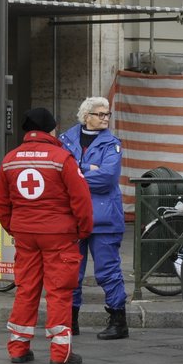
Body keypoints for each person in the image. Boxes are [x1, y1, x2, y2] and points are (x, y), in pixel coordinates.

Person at [0, 108, 93, 364]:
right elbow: (81, 199)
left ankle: (18, 348)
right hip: (59, 235)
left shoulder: (10, 159)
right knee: (59, 291)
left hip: (26, 234)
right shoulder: (62, 158)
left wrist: (14, 228)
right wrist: (82, 230)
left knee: (26, 289)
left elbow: (2, 203)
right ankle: (60, 354)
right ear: (51, 129)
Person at [59, 96, 127, 339]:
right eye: (100, 114)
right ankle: (71, 321)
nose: (106, 118)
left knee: (108, 271)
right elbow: (59, 174)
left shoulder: (112, 143)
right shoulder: (66, 139)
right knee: (71, 272)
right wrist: (90, 170)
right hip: (73, 218)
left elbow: (107, 178)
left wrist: (77, 174)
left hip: (104, 218)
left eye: (108, 114)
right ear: (86, 116)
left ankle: (118, 321)